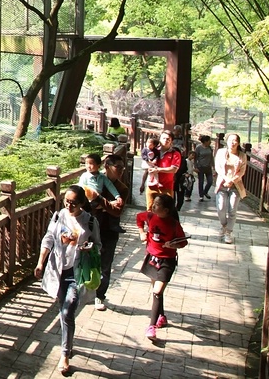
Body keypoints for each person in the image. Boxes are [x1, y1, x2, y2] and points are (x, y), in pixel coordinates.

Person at [34, 186, 102, 375]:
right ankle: (68, 344)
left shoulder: (89, 221)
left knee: (68, 309)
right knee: (63, 309)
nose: (69, 205)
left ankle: (64, 353)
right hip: (58, 270)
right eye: (67, 201)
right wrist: (40, 262)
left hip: (77, 271)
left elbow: (98, 244)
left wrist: (89, 248)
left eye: (73, 202)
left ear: (82, 203)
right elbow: (48, 239)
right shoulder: (58, 216)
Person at [136, 193, 189, 341]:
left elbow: (183, 242)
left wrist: (173, 245)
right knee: (157, 292)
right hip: (152, 258)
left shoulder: (173, 224)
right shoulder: (151, 216)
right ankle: (162, 316)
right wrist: (142, 233)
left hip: (167, 261)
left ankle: (151, 327)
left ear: (166, 210)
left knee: (157, 292)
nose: (153, 206)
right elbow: (139, 219)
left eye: (157, 204)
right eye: (154, 203)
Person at [90, 155, 129, 311]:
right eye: (117, 167)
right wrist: (107, 203)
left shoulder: (122, 188)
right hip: (91, 227)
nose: (120, 171)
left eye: (122, 167)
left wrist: (99, 200)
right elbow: (88, 203)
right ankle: (85, 291)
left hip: (110, 230)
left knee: (105, 265)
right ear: (106, 166)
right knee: (87, 260)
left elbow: (116, 211)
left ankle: (100, 296)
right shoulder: (93, 180)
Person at [214, 132, 248, 243]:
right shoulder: (220, 152)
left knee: (232, 209)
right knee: (221, 208)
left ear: (238, 143)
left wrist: (232, 180)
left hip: (236, 185)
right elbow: (218, 168)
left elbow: (242, 172)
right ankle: (224, 225)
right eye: (230, 140)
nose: (232, 143)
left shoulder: (242, 156)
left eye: (235, 141)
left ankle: (228, 232)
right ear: (227, 141)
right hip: (222, 184)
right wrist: (226, 179)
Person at [144, 130, 181, 212]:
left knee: (166, 211)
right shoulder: (152, 151)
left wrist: (158, 169)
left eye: (168, 139)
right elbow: (145, 164)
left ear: (171, 141)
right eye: (163, 138)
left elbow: (174, 169)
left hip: (166, 186)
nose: (165, 140)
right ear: (159, 139)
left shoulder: (175, 154)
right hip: (152, 184)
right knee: (150, 209)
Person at [194, 135, 214, 200]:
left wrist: (213, 166)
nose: (210, 142)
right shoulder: (198, 148)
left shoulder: (210, 148)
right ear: (205, 141)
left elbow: (211, 157)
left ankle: (205, 191)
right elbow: (195, 158)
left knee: (210, 181)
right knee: (201, 182)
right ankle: (201, 195)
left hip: (208, 167)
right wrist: (195, 166)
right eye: (209, 141)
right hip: (201, 167)